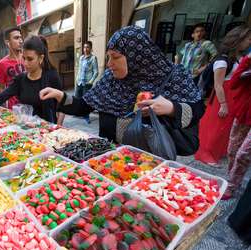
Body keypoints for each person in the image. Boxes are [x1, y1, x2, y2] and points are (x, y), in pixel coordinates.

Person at [39, 26, 204, 143]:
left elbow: (198, 109)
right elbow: (84, 105)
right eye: (109, 57)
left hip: (151, 167)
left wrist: (171, 108)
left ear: (136, 55)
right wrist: (60, 95)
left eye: (115, 57)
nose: (110, 63)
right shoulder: (111, 79)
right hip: (110, 159)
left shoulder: (173, 75)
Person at [195, 25, 251, 168]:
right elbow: (218, 85)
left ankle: (220, 151)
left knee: (227, 126)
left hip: (235, 95)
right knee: (215, 127)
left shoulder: (242, 57)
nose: (249, 42)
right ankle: (207, 154)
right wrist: (224, 104)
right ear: (239, 39)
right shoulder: (223, 60)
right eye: (248, 39)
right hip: (222, 96)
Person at [0, 36, 65, 125]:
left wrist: (58, 126)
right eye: (24, 58)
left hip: (49, 131)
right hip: (27, 131)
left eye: (30, 59)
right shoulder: (20, 79)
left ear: (41, 58)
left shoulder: (51, 76)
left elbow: (62, 102)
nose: (25, 63)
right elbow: (1, 97)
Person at [221, 51, 251, 199]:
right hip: (244, 111)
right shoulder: (248, 62)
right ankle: (234, 179)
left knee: (243, 153)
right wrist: (247, 60)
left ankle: (231, 184)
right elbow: (233, 84)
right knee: (232, 150)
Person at [0, 27, 25, 109]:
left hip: (30, 106)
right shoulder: (1, 64)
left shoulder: (27, 59)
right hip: (14, 109)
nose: (20, 41)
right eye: (16, 38)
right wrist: (5, 109)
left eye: (20, 37)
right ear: (7, 42)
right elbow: (2, 89)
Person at [75, 41, 99, 124]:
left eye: (87, 47)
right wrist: (77, 78)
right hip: (80, 82)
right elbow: (80, 69)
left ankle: (86, 116)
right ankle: (78, 113)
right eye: (84, 47)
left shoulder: (93, 58)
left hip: (87, 83)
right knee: (77, 98)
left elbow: (96, 72)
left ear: (91, 48)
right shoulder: (81, 58)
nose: (86, 49)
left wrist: (91, 81)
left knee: (86, 100)